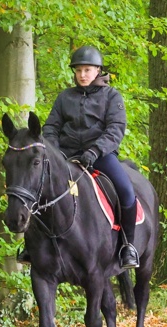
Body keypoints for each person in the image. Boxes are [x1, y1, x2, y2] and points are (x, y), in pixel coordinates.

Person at [39, 45, 138, 269]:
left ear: (97, 71)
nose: (82, 75)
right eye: (78, 71)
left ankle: (127, 246)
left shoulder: (112, 96)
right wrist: (56, 153)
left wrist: (94, 151)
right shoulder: (65, 97)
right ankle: (33, 245)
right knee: (38, 185)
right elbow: (51, 127)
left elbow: (115, 129)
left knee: (125, 190)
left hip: (100, 155)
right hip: (66, 156)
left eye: (87, 70)